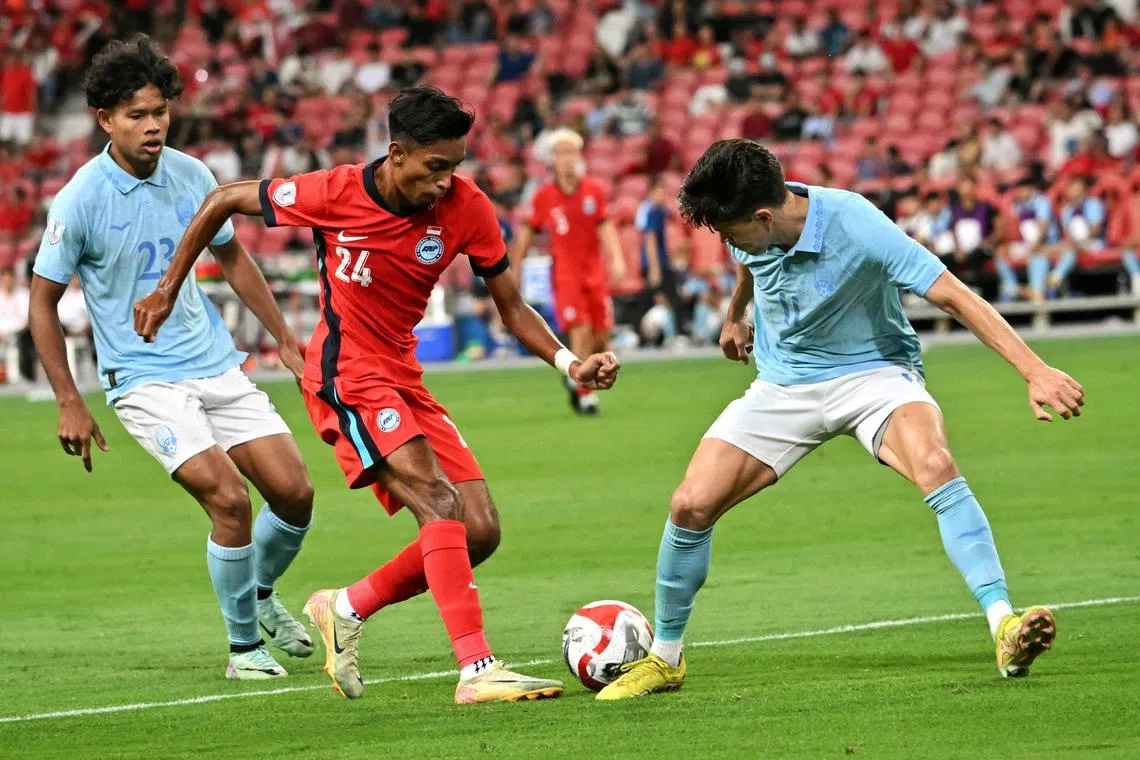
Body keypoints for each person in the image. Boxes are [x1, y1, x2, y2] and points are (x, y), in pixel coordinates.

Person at [133, 86, 621, 704]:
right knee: (437, 501)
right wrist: (170, 287)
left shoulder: (469, 208)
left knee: (481, 530)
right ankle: (477, 669)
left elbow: (512, 306)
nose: (446, 181)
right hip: (346, 373)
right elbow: (222, 199)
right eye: (435, 166)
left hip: (403, 375)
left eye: (456, 167)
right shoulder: (334, 192)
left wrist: (569, 363)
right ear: (397, 154)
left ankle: (345, 607)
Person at [598, 139, 1083, 700]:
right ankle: (666, 657)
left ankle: (1003, 624)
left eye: (729, 232)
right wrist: (735, 316)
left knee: (935, 463)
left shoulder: (855, 222)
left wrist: (1035, 370)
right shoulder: (752, 228)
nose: (726, 243)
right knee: (689, 504)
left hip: (873, 375)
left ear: (762, 215)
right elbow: (749, 264)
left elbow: (954, 296)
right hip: (783, 387)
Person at [26, 36, 316, 681]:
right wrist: (70, 401)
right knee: (230, 502)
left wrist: (287, 342)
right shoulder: (79, 199)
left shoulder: (193, 175)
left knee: (295, 495)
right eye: (136, 114)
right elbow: (41, 305)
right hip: (143, 378)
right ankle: (244, 649)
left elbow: (233, 259)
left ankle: (260, 593)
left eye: (160, 110)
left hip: (214, 361)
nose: (153, 124)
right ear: (105, 119)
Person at [511, 128, 626, 415]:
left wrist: (617, 258)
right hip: (566, 274)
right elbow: (528, 232)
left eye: (571, 152)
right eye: (561, 153)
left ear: (579, 156)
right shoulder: (544, 196)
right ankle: (585, 393)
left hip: (594, 272)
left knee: (602, 335)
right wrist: (514, 268)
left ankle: (574, 380)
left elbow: (605, 225)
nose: (566, 159)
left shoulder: (594, 190)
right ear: (553, 159)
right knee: (581, 330)